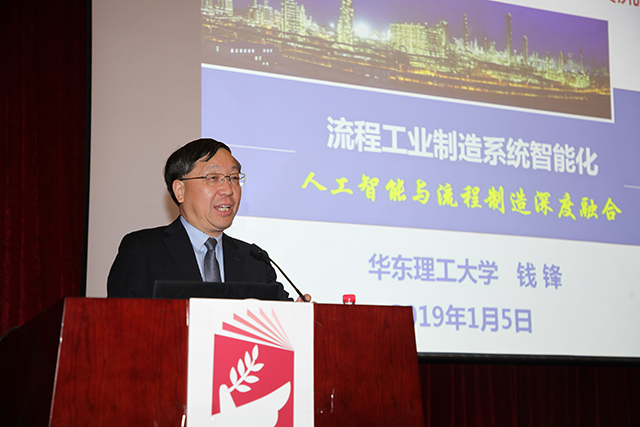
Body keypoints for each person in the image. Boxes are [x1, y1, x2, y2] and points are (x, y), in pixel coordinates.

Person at [107, 138, 311, 302]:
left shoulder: (255, 261)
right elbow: (122, 324)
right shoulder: (143, 250)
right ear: (180, 190)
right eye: (213, 178)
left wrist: (299, 316)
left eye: (233, 178)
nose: (228, 190)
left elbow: (281, 321)